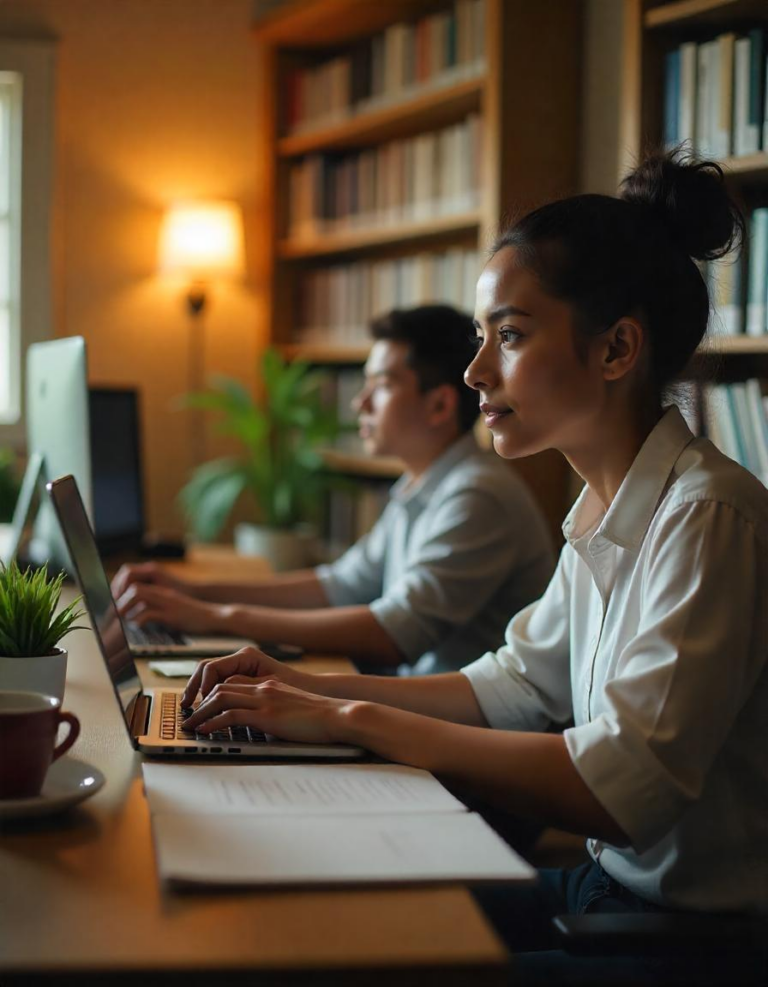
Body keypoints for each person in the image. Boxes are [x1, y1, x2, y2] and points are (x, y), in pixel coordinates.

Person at [173, 149, 768, 985]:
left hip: (687, 940)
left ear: (616, 349)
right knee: (324, 918)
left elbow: (620, 790)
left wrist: (349, 715)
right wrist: (297, 689)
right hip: (607, 889)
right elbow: (517, 687)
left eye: (511, 336)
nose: (475, 370)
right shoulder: (607, 507)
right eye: (481, 337)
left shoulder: (707, 516)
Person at [112, 304, 554, 675]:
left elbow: (391, 635)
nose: (358, 403)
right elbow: (339, 585)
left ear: (440, 404)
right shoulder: (423, 483)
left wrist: (213, 617)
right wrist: (190, 593)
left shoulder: (477, 496)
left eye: (379, 386)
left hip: (463, 745)